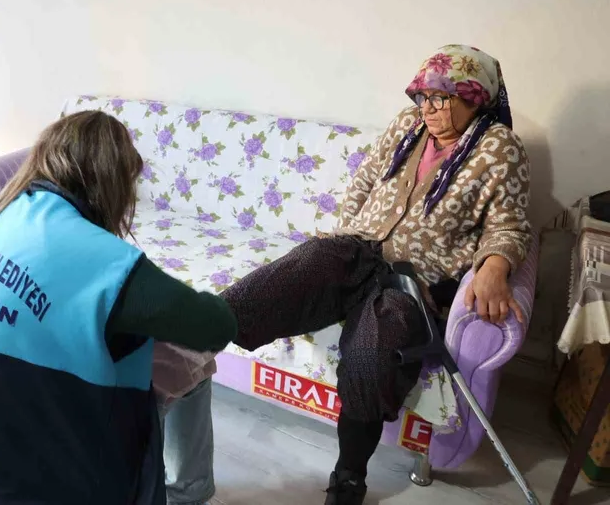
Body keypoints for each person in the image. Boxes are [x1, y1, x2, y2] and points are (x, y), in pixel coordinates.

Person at [160, 45, 532, 505]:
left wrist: (495, 265)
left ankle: (349, 478)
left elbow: (510, 225)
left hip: (413, 279)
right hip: (357, 248)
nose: (428, 109)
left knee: (372, 355)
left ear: (475, 96)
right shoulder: (408, 123)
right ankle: (180, 352)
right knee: (295, 271)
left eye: (441, 98)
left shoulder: (500, 148)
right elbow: (363, 182)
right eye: (422, 97)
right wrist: (346, 233)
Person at [0, 110, 237, 505]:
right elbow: (216, 326)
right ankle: (189, 494)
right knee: (192, 362)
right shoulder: (109, 264)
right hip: (62, 484)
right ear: (113, 182)